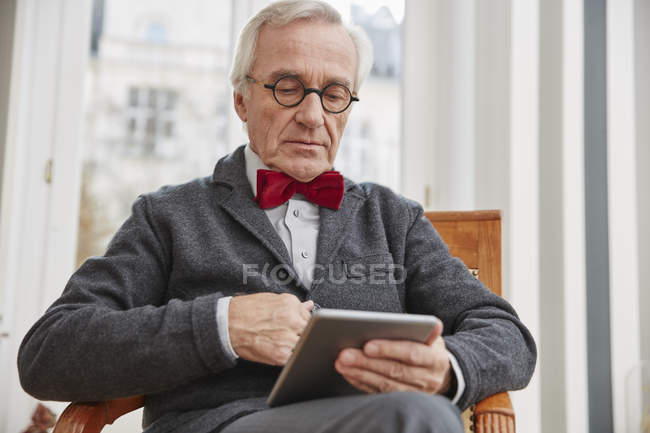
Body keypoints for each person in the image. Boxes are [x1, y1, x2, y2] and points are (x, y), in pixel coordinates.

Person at [17, 1, 536, 432]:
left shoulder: (393, 219)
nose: (312, 117)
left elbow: (506, 334)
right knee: (419, 417)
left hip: (377, 418)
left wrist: (448, 368)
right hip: (223, 424)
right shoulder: (169, 216)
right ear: (242, 99)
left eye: (334, 94)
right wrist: (220, 326)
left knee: (420, 411)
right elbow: (48, 353)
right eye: (287, 87)